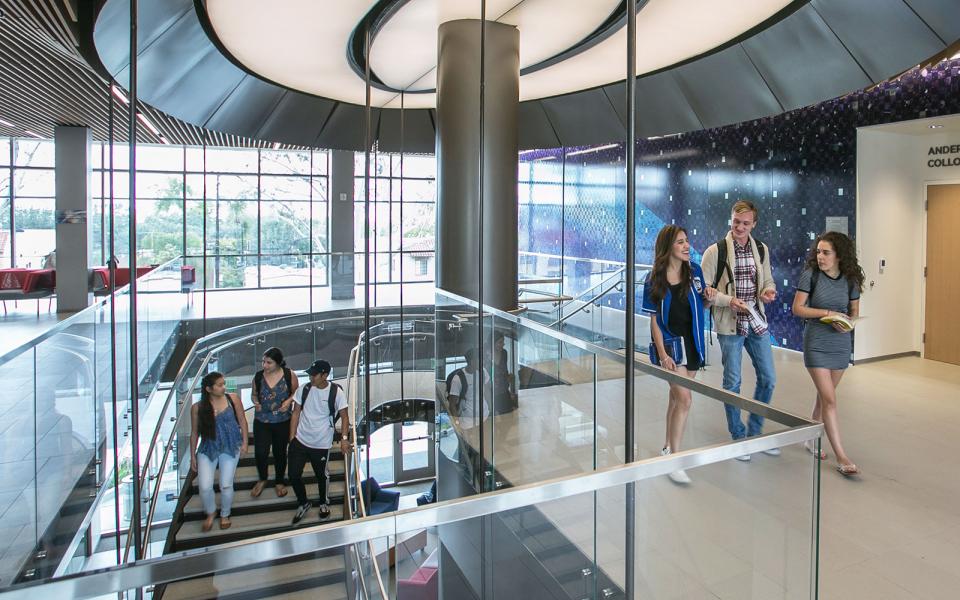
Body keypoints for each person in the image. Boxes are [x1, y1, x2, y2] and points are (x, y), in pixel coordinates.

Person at [701, 200, 778, 461]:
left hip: (756, 319)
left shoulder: (761, 249)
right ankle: (739, 436)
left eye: (746, 223)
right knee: (732, 382)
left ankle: (755, 433)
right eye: (736, 222)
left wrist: (768, 291)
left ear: (754, 224)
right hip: (729, 323)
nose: (740, 227)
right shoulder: (715, 252)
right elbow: (706, 293)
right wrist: (728, 300)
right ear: (731, 219)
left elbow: (767, 278)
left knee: (768, 378)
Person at [791, 231, 864, 476]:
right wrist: (828, 314)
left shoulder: (851, 280)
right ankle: (842, 457)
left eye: (826, 253)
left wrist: (845, 322)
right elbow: (798, 309)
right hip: (816, 343)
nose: (820, 257)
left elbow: (853, 313)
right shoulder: (810, 276)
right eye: (818, 252)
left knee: (825, 398)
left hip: (840, 343)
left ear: (839, 256)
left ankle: (810, 435)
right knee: (831, 400)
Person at [642, 225, 710, 484]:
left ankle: (667, 446)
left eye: (687, 241)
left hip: (693, 343)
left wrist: (711, 298)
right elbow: (654, 321)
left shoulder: (695, 271)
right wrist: (662, 354)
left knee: (675, 398)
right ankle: (675, 461)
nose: (686, 246)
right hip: (670, 347)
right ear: (668, 246)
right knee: (685, 400)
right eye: (680, 242)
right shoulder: (654, 279)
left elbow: (701, 303)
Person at [289, 359, 351, 524]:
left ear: (325, 375)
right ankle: (303, 502)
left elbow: (345, 416)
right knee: (293, 475)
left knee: (321, 476)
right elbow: (295, 413)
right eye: (310, 374)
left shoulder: (336, 392)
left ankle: (323, 503)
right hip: (300, 440)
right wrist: (292, 438)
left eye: (314, 375)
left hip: (321, 443)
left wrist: (344, 439)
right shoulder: (305, 389)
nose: (311, 377)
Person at [190, 371, 248, 532]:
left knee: (226, 484)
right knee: (205, 486)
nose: (224, 387)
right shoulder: (198, 407)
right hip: (208, 447)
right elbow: (194, 432)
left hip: (231, 446)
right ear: (209, 389)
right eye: (220, 385)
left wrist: (245, 442)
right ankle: (210, 512)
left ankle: (225, 513)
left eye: (224, 384)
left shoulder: (232, 399)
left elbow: (242, 420)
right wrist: (192, 456)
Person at [250, 347, 299, 498]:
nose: (265, 365)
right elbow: (253, 395)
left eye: (269, 362)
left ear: (278, 363)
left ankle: (279, 481)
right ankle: (262, 478)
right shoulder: (258, 376)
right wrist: (256, 402)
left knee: (279, 452)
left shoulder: (288, 374)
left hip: (282, 420)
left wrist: (288, 401)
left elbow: (296, 393)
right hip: (262, 420)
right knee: (260, 452)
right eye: (263, 362)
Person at [489, 334, 517, 415]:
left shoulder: (504, 353)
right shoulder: (486, 355)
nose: (503, 344)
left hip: (504, 390)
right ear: (493, 343)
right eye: (500, 342)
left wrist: (509, 378)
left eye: (503, 342)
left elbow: (505, 370)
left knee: (509, 417)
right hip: (492, 392)